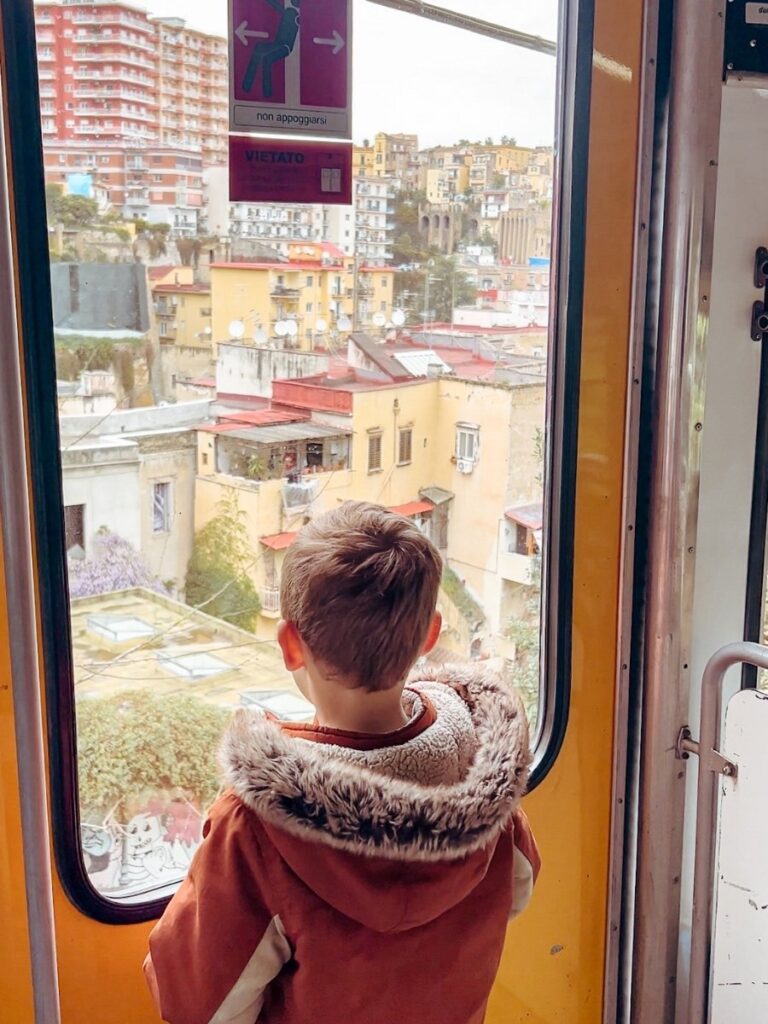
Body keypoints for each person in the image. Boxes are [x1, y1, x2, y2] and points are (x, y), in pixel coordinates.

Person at [144, 501, 540, 1024]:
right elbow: (520, 887)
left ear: (290, 645)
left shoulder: (258, 826)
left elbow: (193, 1001)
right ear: (429, 635)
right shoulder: (482, 778)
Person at [242, 0, 301, 99]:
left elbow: (279, 8)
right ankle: (247, 85)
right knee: (258, 47)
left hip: (285, 47)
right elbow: (277, 7)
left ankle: (267, 93)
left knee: (267, 59)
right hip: (277, 44)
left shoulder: (295, 16)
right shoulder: (289, 11)